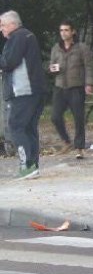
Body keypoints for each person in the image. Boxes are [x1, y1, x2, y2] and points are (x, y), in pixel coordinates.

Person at [0, 10, 46, 180]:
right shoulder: (29, 36)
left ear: (13, 24)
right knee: (29, 128)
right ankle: (33, 166)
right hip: (36, 90)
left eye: (2, 25)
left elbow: (9, 62)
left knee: (16, 126)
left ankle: (26, 166)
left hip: (23, 90)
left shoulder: (17, 37)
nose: (1, 29)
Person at [50, 19, 93, 159]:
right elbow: (51, 65)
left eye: (66, 30)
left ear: (73, 31)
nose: (63, 33)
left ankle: (79, 148)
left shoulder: (81, 48)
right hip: (60, 86)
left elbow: (89, 66)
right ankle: (66, 141)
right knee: (55, 116)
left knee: (78, 118)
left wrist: (89, 84)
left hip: (76, 86)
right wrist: (53, 69)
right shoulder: (56, 48)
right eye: (61, 30)